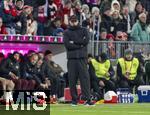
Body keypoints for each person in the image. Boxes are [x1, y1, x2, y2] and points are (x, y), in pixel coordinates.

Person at [63, 15, 94, 106]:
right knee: (72, 79)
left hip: (81, 58)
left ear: (77, 21)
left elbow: (86, 41)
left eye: (75, 21)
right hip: (72, 59)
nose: (73, 22)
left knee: (85, 79)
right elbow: (68, 45)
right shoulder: (66, 32)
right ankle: (74, 100)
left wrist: (74, 42)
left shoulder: (84, 30)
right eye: (72, 21)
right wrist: (80, 44)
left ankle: (87, 99)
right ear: (69, 22)